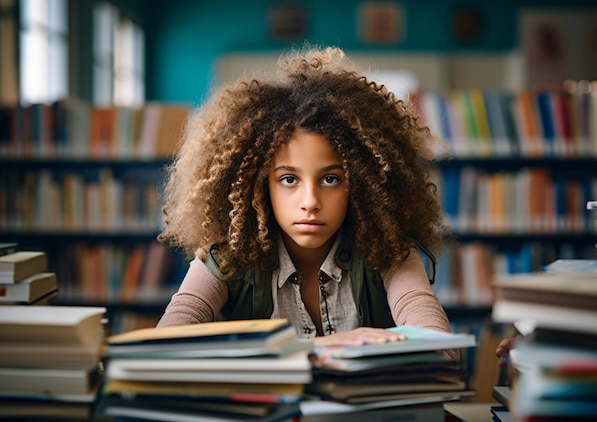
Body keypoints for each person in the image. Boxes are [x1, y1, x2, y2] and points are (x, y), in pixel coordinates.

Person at [156, 45, 456, 359]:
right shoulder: (225, 259)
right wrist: (321, 348)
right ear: (259, 186)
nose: (310, 201)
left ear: (364, 185)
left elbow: (442, 351)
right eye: (289, 179)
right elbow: (164, 349)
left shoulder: (389, 252)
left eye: (331, 179)